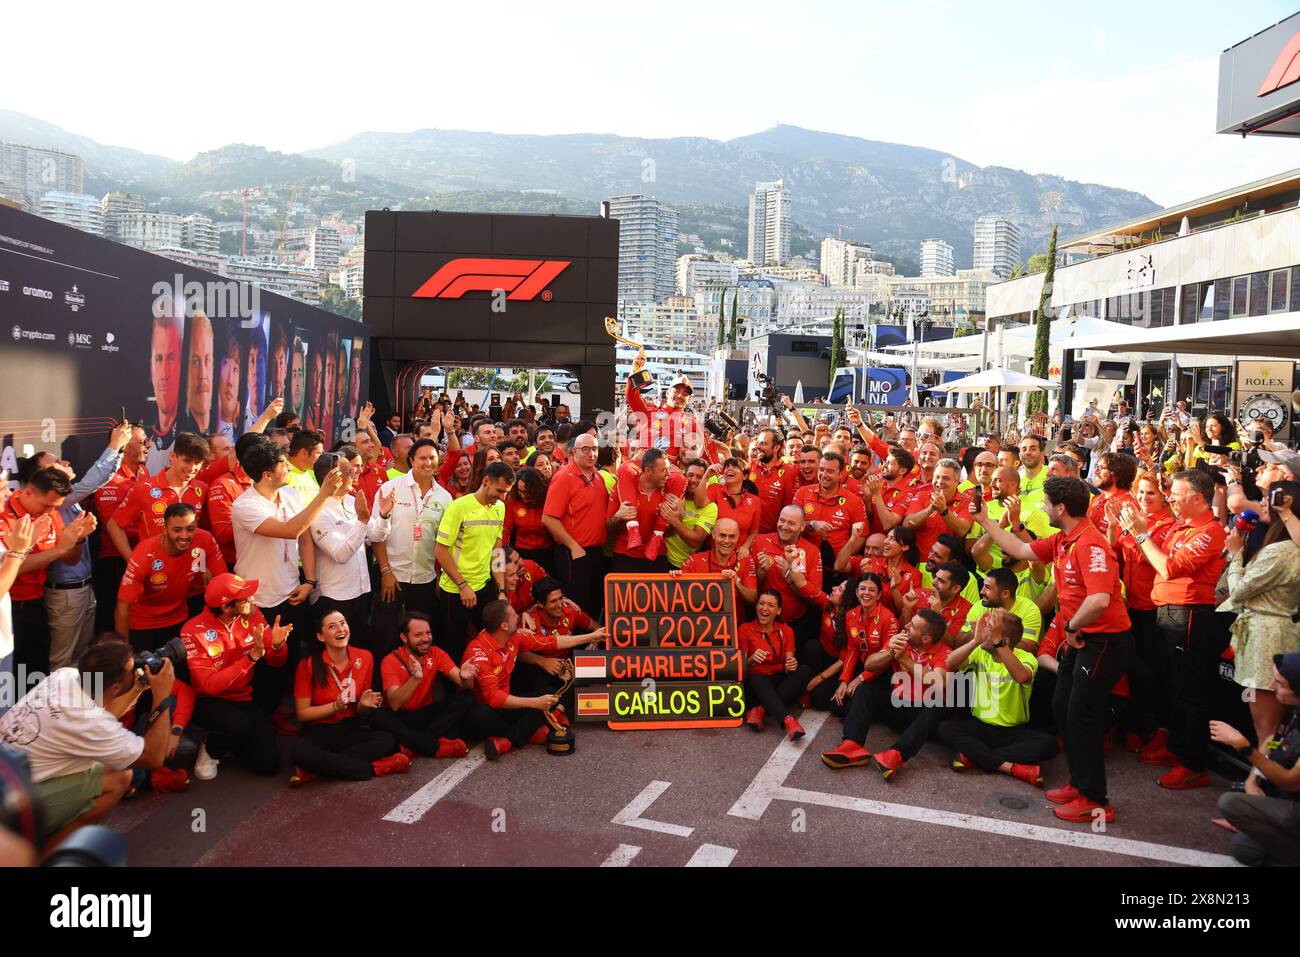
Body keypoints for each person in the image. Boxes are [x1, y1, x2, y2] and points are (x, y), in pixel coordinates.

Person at [975, 476, 1132, 824]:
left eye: (1046, 503)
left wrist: (1072, 627)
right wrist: (985, 521)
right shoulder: (1064, 538)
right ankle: (1080, 784)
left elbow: (1100, 599)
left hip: (1102, 641)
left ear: (1060, 508)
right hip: (1082, 638)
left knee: (1082, 716)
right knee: (1063, 706)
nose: (1042, 508)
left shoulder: (1091, 545)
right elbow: (1021, 550)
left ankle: (1095, 799)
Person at [0, 637, 176, 851]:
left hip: (8, 777)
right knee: (120, 778)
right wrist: (162, 696)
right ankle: (43, 859)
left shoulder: (64, 676)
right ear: (115, 686)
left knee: (108, 766)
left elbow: (102, 717)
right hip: (8, 808)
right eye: (133, 669)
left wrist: (137, 686)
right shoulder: (85, 719)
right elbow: (153, 757)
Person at [1118, 469, 1228, 790]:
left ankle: (1193, 764)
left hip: (1190, 614)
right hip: (1168, 611)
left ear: (1196, 498)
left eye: (1176, 495)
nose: (1171, 500)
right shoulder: (1185, 526)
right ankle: (1177, 748)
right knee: (1175, 685)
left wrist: (1141, 534)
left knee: (1189, 690)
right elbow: (1152, 558)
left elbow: (1168, 566)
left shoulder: (1210, 532)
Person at [181, 573, 291, 779]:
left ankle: (233, 741)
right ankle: (210, 747)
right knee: (237, 725)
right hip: (208, 701)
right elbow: (209, 686)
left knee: (269, 764)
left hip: (244, 698)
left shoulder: (253, 613)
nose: (251, 599)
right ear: (226, 607)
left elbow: (277, 662)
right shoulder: (193, 630)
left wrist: (277, 646)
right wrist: (250, 658)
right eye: (244, 597)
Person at [1219, 480, 1300, 751]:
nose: (1262, 503)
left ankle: (1264, 786)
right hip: (1265, 637)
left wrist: (1235, 555)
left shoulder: (1281, 551)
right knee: (1265, 725)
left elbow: (1239, 590)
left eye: (1269, 499)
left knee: (1266, 728)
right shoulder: (1283, 547)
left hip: (1267, 641)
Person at [820, 607, 949, 778]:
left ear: (926, 638)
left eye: (913, 625)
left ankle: (895, 755)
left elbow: (937, 681)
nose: (907, 625)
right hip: (896, 708)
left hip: (920, 717)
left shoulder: (945, 653)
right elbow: (870, 665)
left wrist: (904, 659)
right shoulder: (901, 640)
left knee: (938, 706)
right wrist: (890, 653)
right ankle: (851, 745)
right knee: (865, 689)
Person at [45, 424, 133, 670]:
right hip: (65, 594)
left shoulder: (70, 504)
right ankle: (57, 707)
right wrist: (115, 447)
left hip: (83, 588)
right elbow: (91, 483)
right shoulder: (56, 503)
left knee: (81, 658)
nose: (64, 461)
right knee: (61, 663)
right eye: (56, 462)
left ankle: (76, 706)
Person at [461, 599, 594, 760]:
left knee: (550, 694)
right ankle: (525, 733)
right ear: (503, 626)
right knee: (481, 714)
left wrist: (591, 636)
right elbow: (494, 698)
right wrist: (534, 703)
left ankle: (508, 741)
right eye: (513, 615)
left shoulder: (513, 637)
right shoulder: (478, 651)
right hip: (482, 712)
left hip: (505, 706)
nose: (518, 615)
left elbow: (551, 642)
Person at [290, 608, 410, 784]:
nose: (341, 630)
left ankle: (317, 770)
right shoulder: (308, 665)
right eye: (332, 626)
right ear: (320, 636)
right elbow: (302, 714)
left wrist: (364, 705)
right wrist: (334, 707)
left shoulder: (365, 657)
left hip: (349, 727)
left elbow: (359, 711)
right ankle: (373, 768)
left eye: (343, 623)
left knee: (387, 740)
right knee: (300, 751)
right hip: (319, 730)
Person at [938, 608, 1056, 786]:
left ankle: (973, 756)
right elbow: (951, 662)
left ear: (1003, 640)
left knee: (1048, 744)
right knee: (944, 728)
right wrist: (976, 640)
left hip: (1012, 730)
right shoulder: (981, 651)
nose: (982, 631)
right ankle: (1010, 767)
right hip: (980, 726)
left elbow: (1021, 676)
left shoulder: (1026, 658)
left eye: (988, 630)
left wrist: (997, 642)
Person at [1, 468, 97, 677]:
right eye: (46, 505)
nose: (49, 512)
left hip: (39, 602)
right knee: (13, 675)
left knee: (38, 669)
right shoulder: (4, 516)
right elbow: (14, 567)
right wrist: (58, 549)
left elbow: (69, 559)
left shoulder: (52, 514)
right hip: (11, 606)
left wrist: (78, 538)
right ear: (28, 492)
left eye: (54, 507)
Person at [1210, 652, 1300, 866]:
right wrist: (1252, 780)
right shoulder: (1294, 711)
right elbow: (1272, 742)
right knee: (1243, 850)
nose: (1271, 685)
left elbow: (1290, 780)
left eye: (1280, 683)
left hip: (1294, 799)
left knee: (1230, 803)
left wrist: (1244, 747)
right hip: (1288, 800)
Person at [369, 437, 453, 651]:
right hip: (392, 575)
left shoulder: (445, 498)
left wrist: (439, 576)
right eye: (422, 458)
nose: (428, 463)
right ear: (412, 460)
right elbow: (377, 535)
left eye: (432, 458)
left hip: (425, 578)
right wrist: (385, 571)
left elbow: (444, 542)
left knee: (421, 639)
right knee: (385, 636)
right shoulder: (390, 488)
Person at [116, 503, 225, 653]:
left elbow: (223, 584)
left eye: (190, 529)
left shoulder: (204, 539)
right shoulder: (144, 552)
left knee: (178, 674)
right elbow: (123, 606)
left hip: (179, 618)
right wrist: (124, 652)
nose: (184, 535)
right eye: (177, 530)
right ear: (165, 529)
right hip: (143, 623)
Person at [310, 450, 388, 656]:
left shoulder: (352, 501)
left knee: (359, 653)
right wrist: (362, 522)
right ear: (332, 477)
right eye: (348, 471)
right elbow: (340, 554)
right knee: (335, 657)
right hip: (335, 597)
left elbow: (377, 535)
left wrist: (384, 514)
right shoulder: (318, 511)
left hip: (361, 591)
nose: (355, 473)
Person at [434, 460, 514, 661]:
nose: (502, 497)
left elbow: (497, 551)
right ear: (486, 481)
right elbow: (440, 550)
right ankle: (453, 690)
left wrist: (502, 590)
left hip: (485, 587)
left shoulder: (500, 508)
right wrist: (463, 586)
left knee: (489, 643)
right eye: (499, 491)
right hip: (455, 590)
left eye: (506, 493)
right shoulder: (458, 507)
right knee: (454, 648)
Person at [374, 611, 477, 759]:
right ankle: (432, 746)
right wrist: (415, 679)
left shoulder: (436, 653)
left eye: (428, 633)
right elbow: (395, 704)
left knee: (466, 698)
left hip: (425, 715)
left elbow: (464, 684)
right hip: (401, 718)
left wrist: (465, 677)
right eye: (418, 635)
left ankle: (414, 744)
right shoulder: (390, 660)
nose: (425, 639)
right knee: (377, 716)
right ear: (404, 637)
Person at [106, 432, 210, 561]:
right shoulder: (144, 488)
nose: (192, 468)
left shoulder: (203, 489)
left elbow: (205, 534)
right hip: (153, 571)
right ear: (172, 456)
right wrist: (132, 560)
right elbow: (114, 525)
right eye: (187, 461)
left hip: (189, 572)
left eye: (197, 462)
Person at [542, 433, 609, 617]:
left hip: (595, 552)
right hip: (574, 554)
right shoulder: (564, 476)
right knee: (577, 607)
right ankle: (577, 645)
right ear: (573, 452)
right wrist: (573, 546)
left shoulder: (598, 475)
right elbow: (548, 518)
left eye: (594, 449)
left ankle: (592, 644)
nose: (591, 454)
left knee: (595, 604)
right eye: (585, 449)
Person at [91, 423, 149, 633]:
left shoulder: (144, 472)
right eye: (142, 442)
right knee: (114, 624)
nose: (147, 446)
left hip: (142, 557)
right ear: (124, 446)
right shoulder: (109, 479)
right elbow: (114, 526)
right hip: (117, 561)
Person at [738, 590, 809, 739]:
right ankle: (788, 721)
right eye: (761, 604)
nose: (764, 608)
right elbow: (740, 671)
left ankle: (761, 710)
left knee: (804, 671)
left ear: (779, 611)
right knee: (756, 678)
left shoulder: (786, 630)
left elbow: (790, 662)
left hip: (777, 680)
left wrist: (792, 664)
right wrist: (751, 660)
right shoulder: (745, 629)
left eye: (770, 605)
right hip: (755, 686)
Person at [751, 505, 825, 647]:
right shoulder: (759, 542)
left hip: (794, 624)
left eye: (791, 523)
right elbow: (750, 589)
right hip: (760, 622)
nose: (784, 526)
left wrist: (789, 576)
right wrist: (762, 571)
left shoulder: (812, 551)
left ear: (802, 526)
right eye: (782, 520)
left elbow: (813, 597)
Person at [612, 449, 688, 571]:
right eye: (664, 470)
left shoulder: (669, 488)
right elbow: (608, 528)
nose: (668, 474)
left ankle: (656, 537)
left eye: (668, 469)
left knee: (680, 479)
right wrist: (617, 517)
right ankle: (633, 528)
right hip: (625, 555)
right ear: (648, 471)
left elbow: (669, 534)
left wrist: (677, 519)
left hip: (657, 556)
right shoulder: (625, 482)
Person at [959, 566, 1043, 652]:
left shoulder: (1029, 610)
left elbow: (1027, 647)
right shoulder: (980, 606)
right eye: (983, 586)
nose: (982, 591)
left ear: (1005, 594)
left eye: (988, 587)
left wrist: (991, 635)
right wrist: (974, 633)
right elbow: (958, 642)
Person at [679, 518, 759, 606]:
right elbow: (679, 591)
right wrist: (674, 578)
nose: (727, 541)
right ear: (713, 535)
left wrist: (736, 584)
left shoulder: (745, 560)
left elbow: (753, 599)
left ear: (738, 537)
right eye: (722, 535)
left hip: (735, 619)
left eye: (732, 536)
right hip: (701, 617)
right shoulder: (695, 560)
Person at [145, 308, 184, 475]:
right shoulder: (142, 438)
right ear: (151, 367)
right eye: (158, 359)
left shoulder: (189, 434)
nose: (164, 373)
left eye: (171, 358)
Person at [663, 459, 717, 571]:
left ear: (705, 480)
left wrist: (676, 520)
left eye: (699, 477)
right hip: (661, 557)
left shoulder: (711, 507)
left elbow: (696, 541)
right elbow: (664, 534)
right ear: (684, 475)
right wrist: (677, 518)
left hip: (686, 566)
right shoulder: (672, 495)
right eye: (690, 475)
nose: (693, 480)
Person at [285, 428, 325, 502]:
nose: (322, 457)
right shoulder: (282, 473)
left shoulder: (314, 473)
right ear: (304, 453)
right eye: (318, 453)